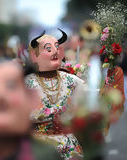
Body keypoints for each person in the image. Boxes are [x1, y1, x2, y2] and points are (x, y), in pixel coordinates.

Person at [26, 29, 84, 159]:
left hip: (68, 146)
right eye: (48, 49)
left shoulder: (71, 80)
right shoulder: (25, 83)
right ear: (34, 56)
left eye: (57, 47)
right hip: (37, 146)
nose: (55, 51)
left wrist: (111, 79)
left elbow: (92, 100)